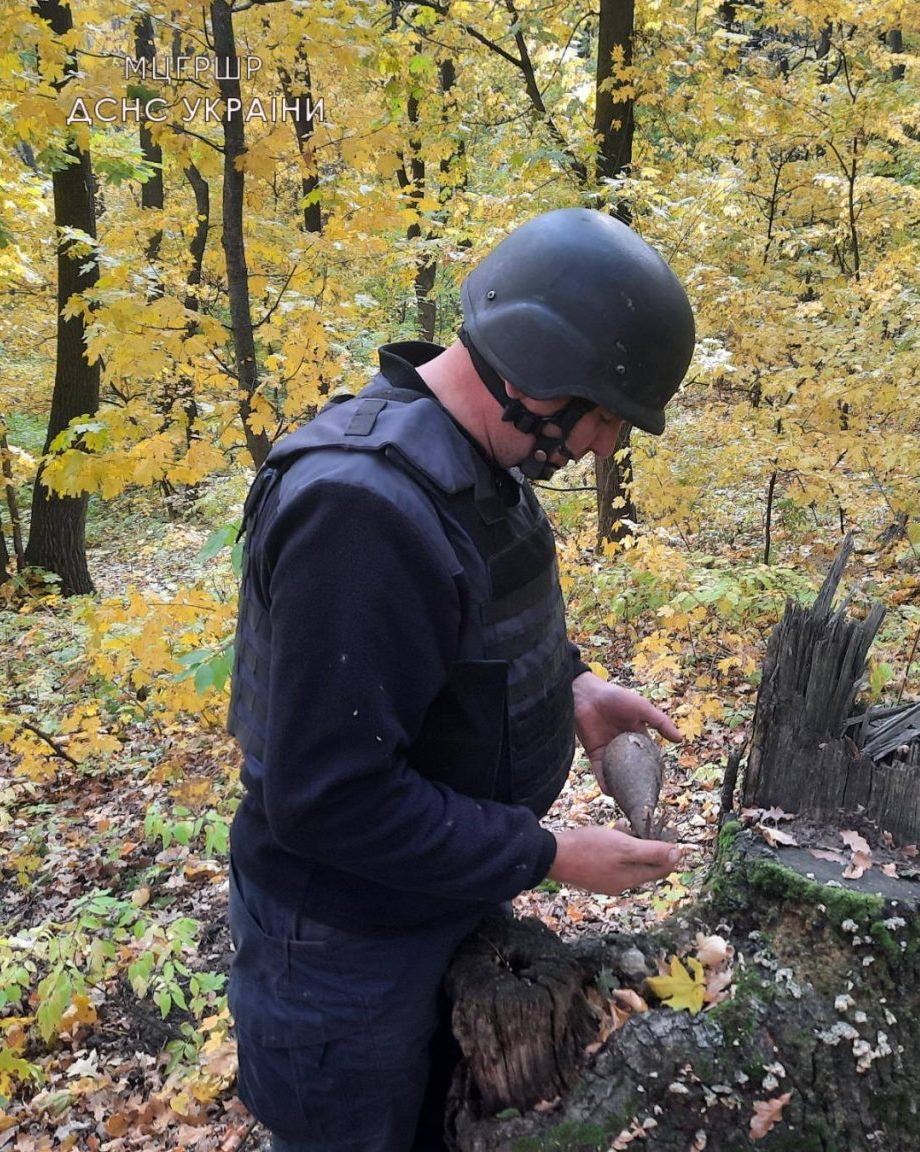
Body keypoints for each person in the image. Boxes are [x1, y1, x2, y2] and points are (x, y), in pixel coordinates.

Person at [225, 208, 697, 1151]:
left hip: (437, 906)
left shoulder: (478, 465)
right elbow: (327, 800)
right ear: (532, 369)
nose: (604, 445)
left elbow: (456, 644)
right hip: (344, 953)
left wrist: (571, 691)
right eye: (603, 414)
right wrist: (549, 853)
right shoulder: (359, 512)